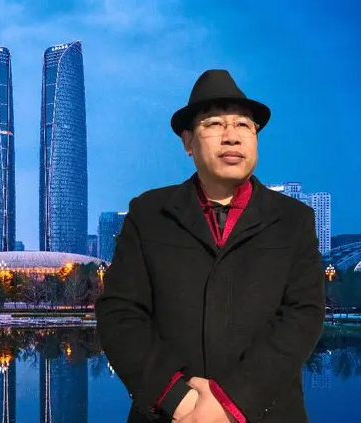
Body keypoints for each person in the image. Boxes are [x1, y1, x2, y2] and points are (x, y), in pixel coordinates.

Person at [95, 69, 326, 423]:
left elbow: (302, 317)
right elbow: (119, 314)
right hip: (170, 414)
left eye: (244, 125)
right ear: (187, 142)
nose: (232, 137)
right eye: (215, 124)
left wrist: (230, 403)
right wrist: (178, 399)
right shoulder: (149, 214)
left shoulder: (294, 220)